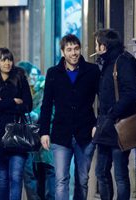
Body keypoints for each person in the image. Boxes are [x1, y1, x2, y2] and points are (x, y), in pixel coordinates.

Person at [39, 34, 100, 200]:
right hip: (61, 135)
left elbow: (104, 99)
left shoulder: (92, 71)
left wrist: (98, 124)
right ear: (62, 52)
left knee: (83, 180)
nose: (73, 53)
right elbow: (46, 105)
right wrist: (44, 132)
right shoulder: (53, 73)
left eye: (76, 49)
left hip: (86, 133)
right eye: (69, 49)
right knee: (61, 179)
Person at [92, 29, 136, 200]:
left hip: (120, 125)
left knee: (120, 173)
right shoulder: (105, 63)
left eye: (96, 44)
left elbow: (131, 92)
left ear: (103, 46)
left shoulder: (123, 61)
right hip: (106, 125)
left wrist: (113, 114)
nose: (95, 47)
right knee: (101, 171)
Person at [0, 47, 33, 200]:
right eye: (3, 59)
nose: (7, 63)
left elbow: (27, 105)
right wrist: (13, 101)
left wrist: (3, 103)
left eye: (9, 59)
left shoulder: (20, 77)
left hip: (18, 134)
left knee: (16, 177)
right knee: (2, 179)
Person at [17, 61, 55, 200]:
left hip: (46, 134)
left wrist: (35, 115)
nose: (30, 79)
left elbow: (49, 108)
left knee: (48, 170)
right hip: (32, 138)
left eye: (33, 75)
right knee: (36, 173)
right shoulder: (26, 90)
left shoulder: (43, 87)